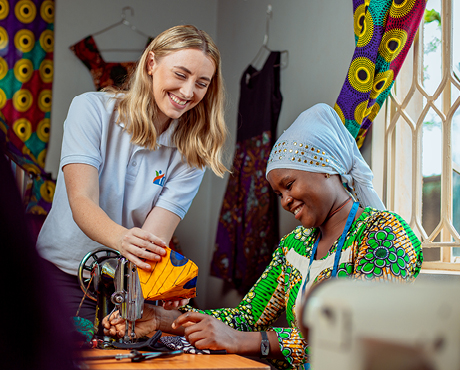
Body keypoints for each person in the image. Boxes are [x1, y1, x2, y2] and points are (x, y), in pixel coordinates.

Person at [103, 103, 423, 369]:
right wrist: (161, 318)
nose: (285, 201)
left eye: (289, 184)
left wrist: (244, 341)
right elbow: (247, 318)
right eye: (278, 193)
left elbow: (363, 336)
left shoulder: (383, 234)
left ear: (327, 167)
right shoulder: (296, 244)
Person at [36, 24, 228, 321]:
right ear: (151, 63)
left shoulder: (194, 151)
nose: (188, 92)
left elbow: (154, 239)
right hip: (61, 272)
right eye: (180, 74)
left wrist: (162, 286)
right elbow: (82, 200)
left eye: (202, 83)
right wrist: (122, 240)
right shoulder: (91, 110)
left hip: (124, 283)